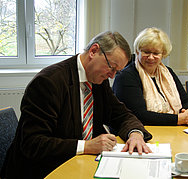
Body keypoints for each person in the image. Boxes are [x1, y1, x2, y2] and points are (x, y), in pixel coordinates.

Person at [0, 31, 153, 178]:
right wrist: (86, 146)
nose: (112, 76)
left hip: (79, 163)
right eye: (111, 67)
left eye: (117, 72)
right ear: (94, 51)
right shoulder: (49, 82)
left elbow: (121, 114)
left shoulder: (98, 80)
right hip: (41, 170)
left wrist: (135, 134)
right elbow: (33, 143)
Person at [112, 27, 188, 126]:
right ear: (138, 51)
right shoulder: (126, 76)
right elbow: (139, 115)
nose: (151, 57)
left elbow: (187, 101)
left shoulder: (168, 72)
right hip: (143, 132)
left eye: (156, 53)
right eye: (146, 52)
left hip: (172, 130)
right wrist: (178, 119)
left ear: (163, 54)